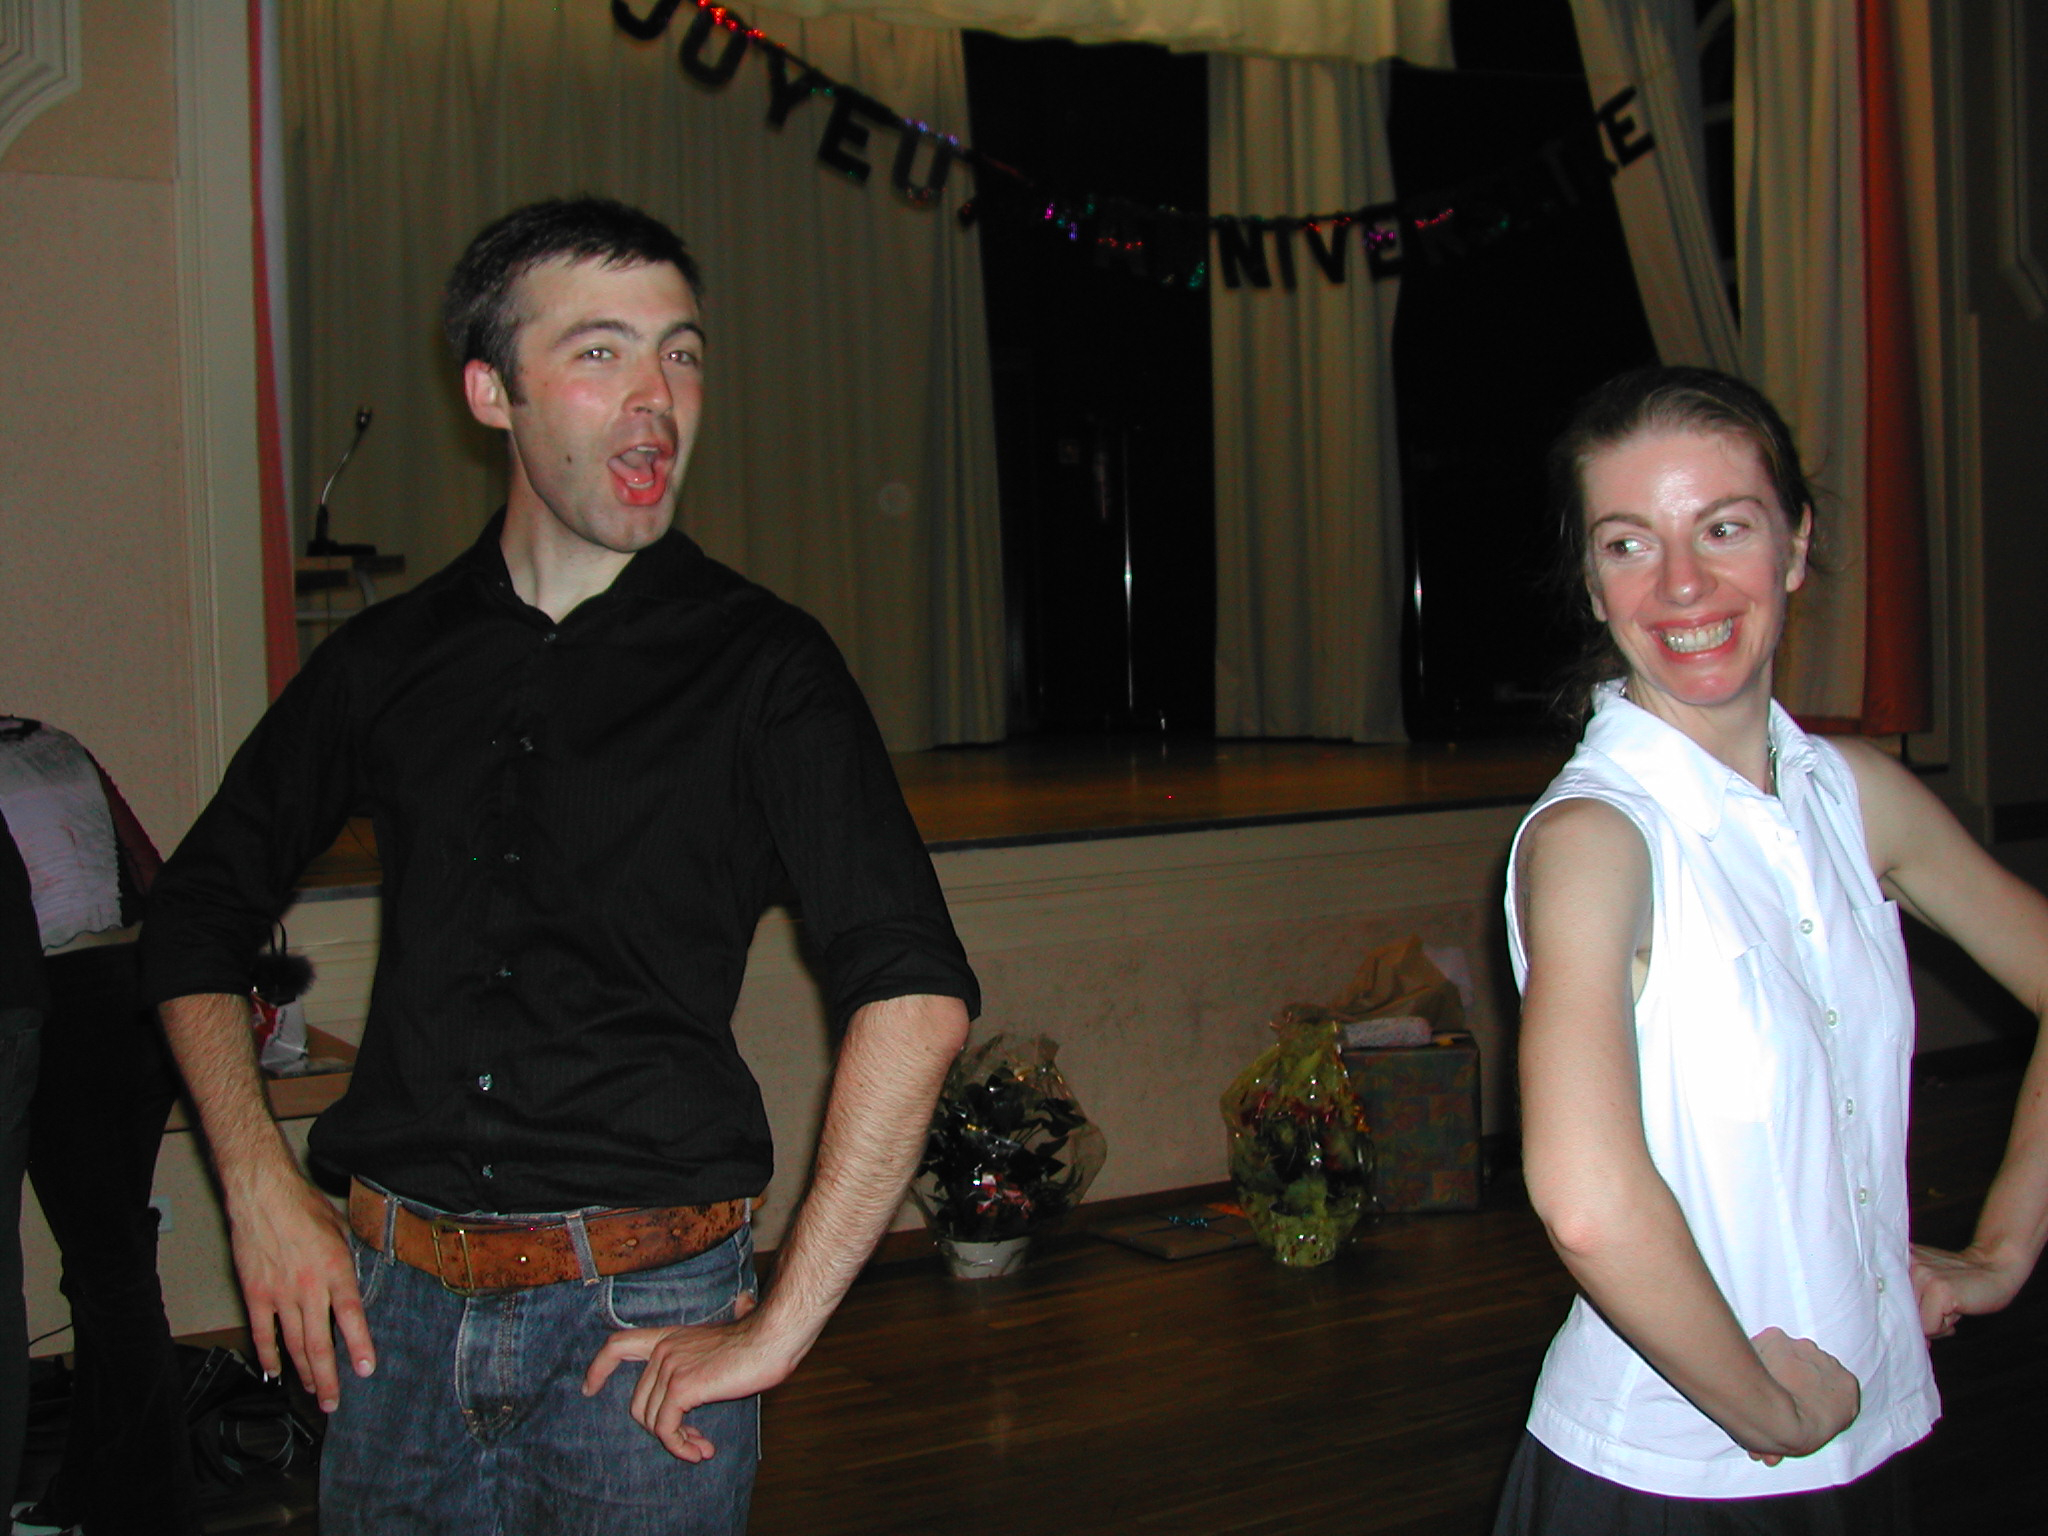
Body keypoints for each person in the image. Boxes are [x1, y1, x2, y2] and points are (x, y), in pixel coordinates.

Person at [142, 196, 979, 1535]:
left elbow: (915, 998)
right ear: (493, 392)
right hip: (388, 1325)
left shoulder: (767, 668)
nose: (657, 398)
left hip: (638, 1336)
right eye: (601, 352)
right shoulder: (386, 662)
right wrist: (255, 1183)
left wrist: (778, 1326)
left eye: (680, 353)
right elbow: (193, 912)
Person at [1493, 365, 2048, 1532]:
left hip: (1872, 1438)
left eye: (1723, 528)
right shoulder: (1596, 839)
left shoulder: (1852, 794)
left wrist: (2001, 1250)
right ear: (1590, 585)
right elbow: (1585, 1201)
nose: (1680, 584)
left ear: (1794, 545)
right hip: (1668, 1480)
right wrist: (1765, 1411)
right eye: (1627, 544)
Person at [0, 718, 196, 1536]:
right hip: (134, 988)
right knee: (110, 1264)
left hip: (59, 1003)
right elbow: (149, 869)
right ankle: (91, 1494)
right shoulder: (53, 740)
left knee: (109, 1273)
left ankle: (153, 1507)